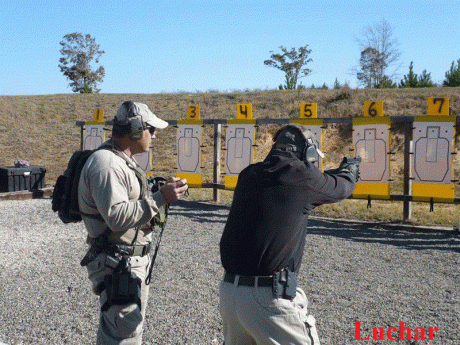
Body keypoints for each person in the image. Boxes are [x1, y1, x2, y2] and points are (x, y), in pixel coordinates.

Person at [219, 124, 360, 345]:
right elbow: (341, 188)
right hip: (267, 298)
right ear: (308, 152)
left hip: (230, 295)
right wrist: (349, 172)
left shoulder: (249, 174)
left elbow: (304, 182)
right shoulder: (303, 177)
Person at [78, 101, 188, 344]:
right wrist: (161, 198)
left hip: (126, 260)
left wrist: (158, 194)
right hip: (117, 261)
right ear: (137, 129)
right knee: (123, 334)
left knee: (125, 331)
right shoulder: (107, 164)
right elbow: (116, 217)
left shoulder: (120, 159)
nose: (155, 136)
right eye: (152, 130)